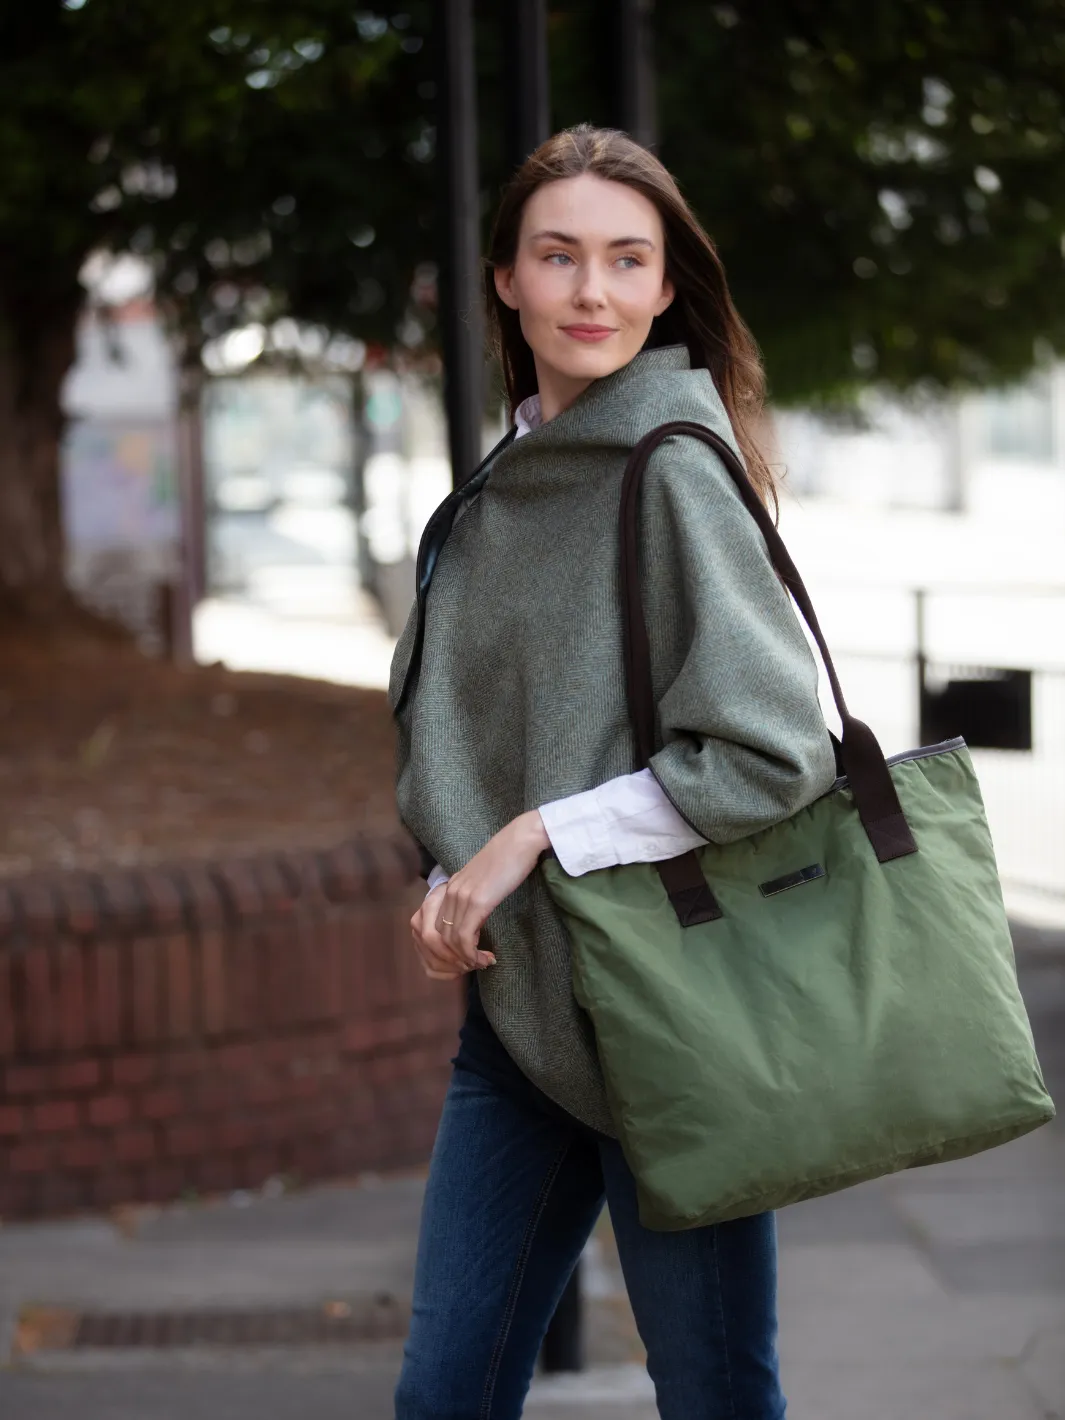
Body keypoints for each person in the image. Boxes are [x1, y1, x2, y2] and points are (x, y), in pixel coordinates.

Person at [388, 124, 837, 1420]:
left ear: (663, 284)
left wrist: (528, 836)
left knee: (712, 1393)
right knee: (445, 1396)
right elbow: (473, 732)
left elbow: (770, 752)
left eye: (627, 260)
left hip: (672, 1014)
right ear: (505, 281)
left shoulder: (675, 465)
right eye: (561, 255)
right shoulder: (497, 489)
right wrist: (449, 881)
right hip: (519, 1023)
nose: (593, 292)